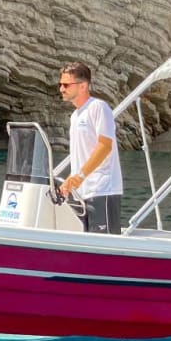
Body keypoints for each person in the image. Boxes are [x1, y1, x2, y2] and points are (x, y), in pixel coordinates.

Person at [58, 62, 123, 234]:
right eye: (60, 84)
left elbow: (105, 146)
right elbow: (82, 155)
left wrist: (80, 176)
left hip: (103, 190)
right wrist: (70, 180)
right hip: (82, 192)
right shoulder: (75, 116)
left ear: (83, 86)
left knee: (105, 244)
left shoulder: (98, 107)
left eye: (66, 85)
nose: (61, 89)